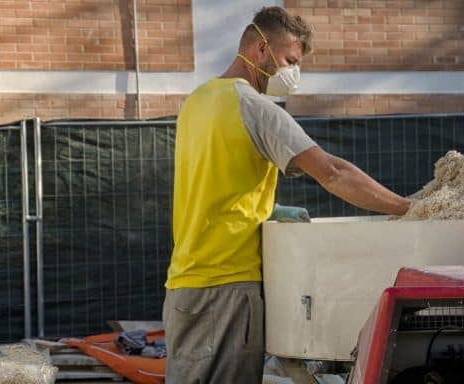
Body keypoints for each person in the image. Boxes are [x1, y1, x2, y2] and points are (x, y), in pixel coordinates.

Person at [162, 6, 410, 383]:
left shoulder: (196, 102)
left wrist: (269, 209)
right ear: (260, 48)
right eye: (290, 60)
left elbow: (212, 187)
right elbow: (332, 172)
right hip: (228, 289)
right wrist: (407, 207)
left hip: (183, 288)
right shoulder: (255, 108)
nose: (293, 74)